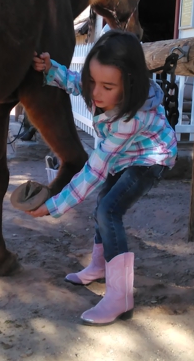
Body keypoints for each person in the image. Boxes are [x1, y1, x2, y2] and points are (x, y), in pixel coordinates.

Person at [29, 30, 177, 326]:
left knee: (109, 209)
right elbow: (76, 84)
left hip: (150, 157)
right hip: (123, 154)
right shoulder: (99, 89)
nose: (95, 93)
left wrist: (55, 205)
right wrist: (52, 69)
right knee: (102, 203)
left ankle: (121, 296)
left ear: (130, 85)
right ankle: (99, 266)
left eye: (107, 86)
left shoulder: (130, 118)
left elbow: (94, 169)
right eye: (92, 81)